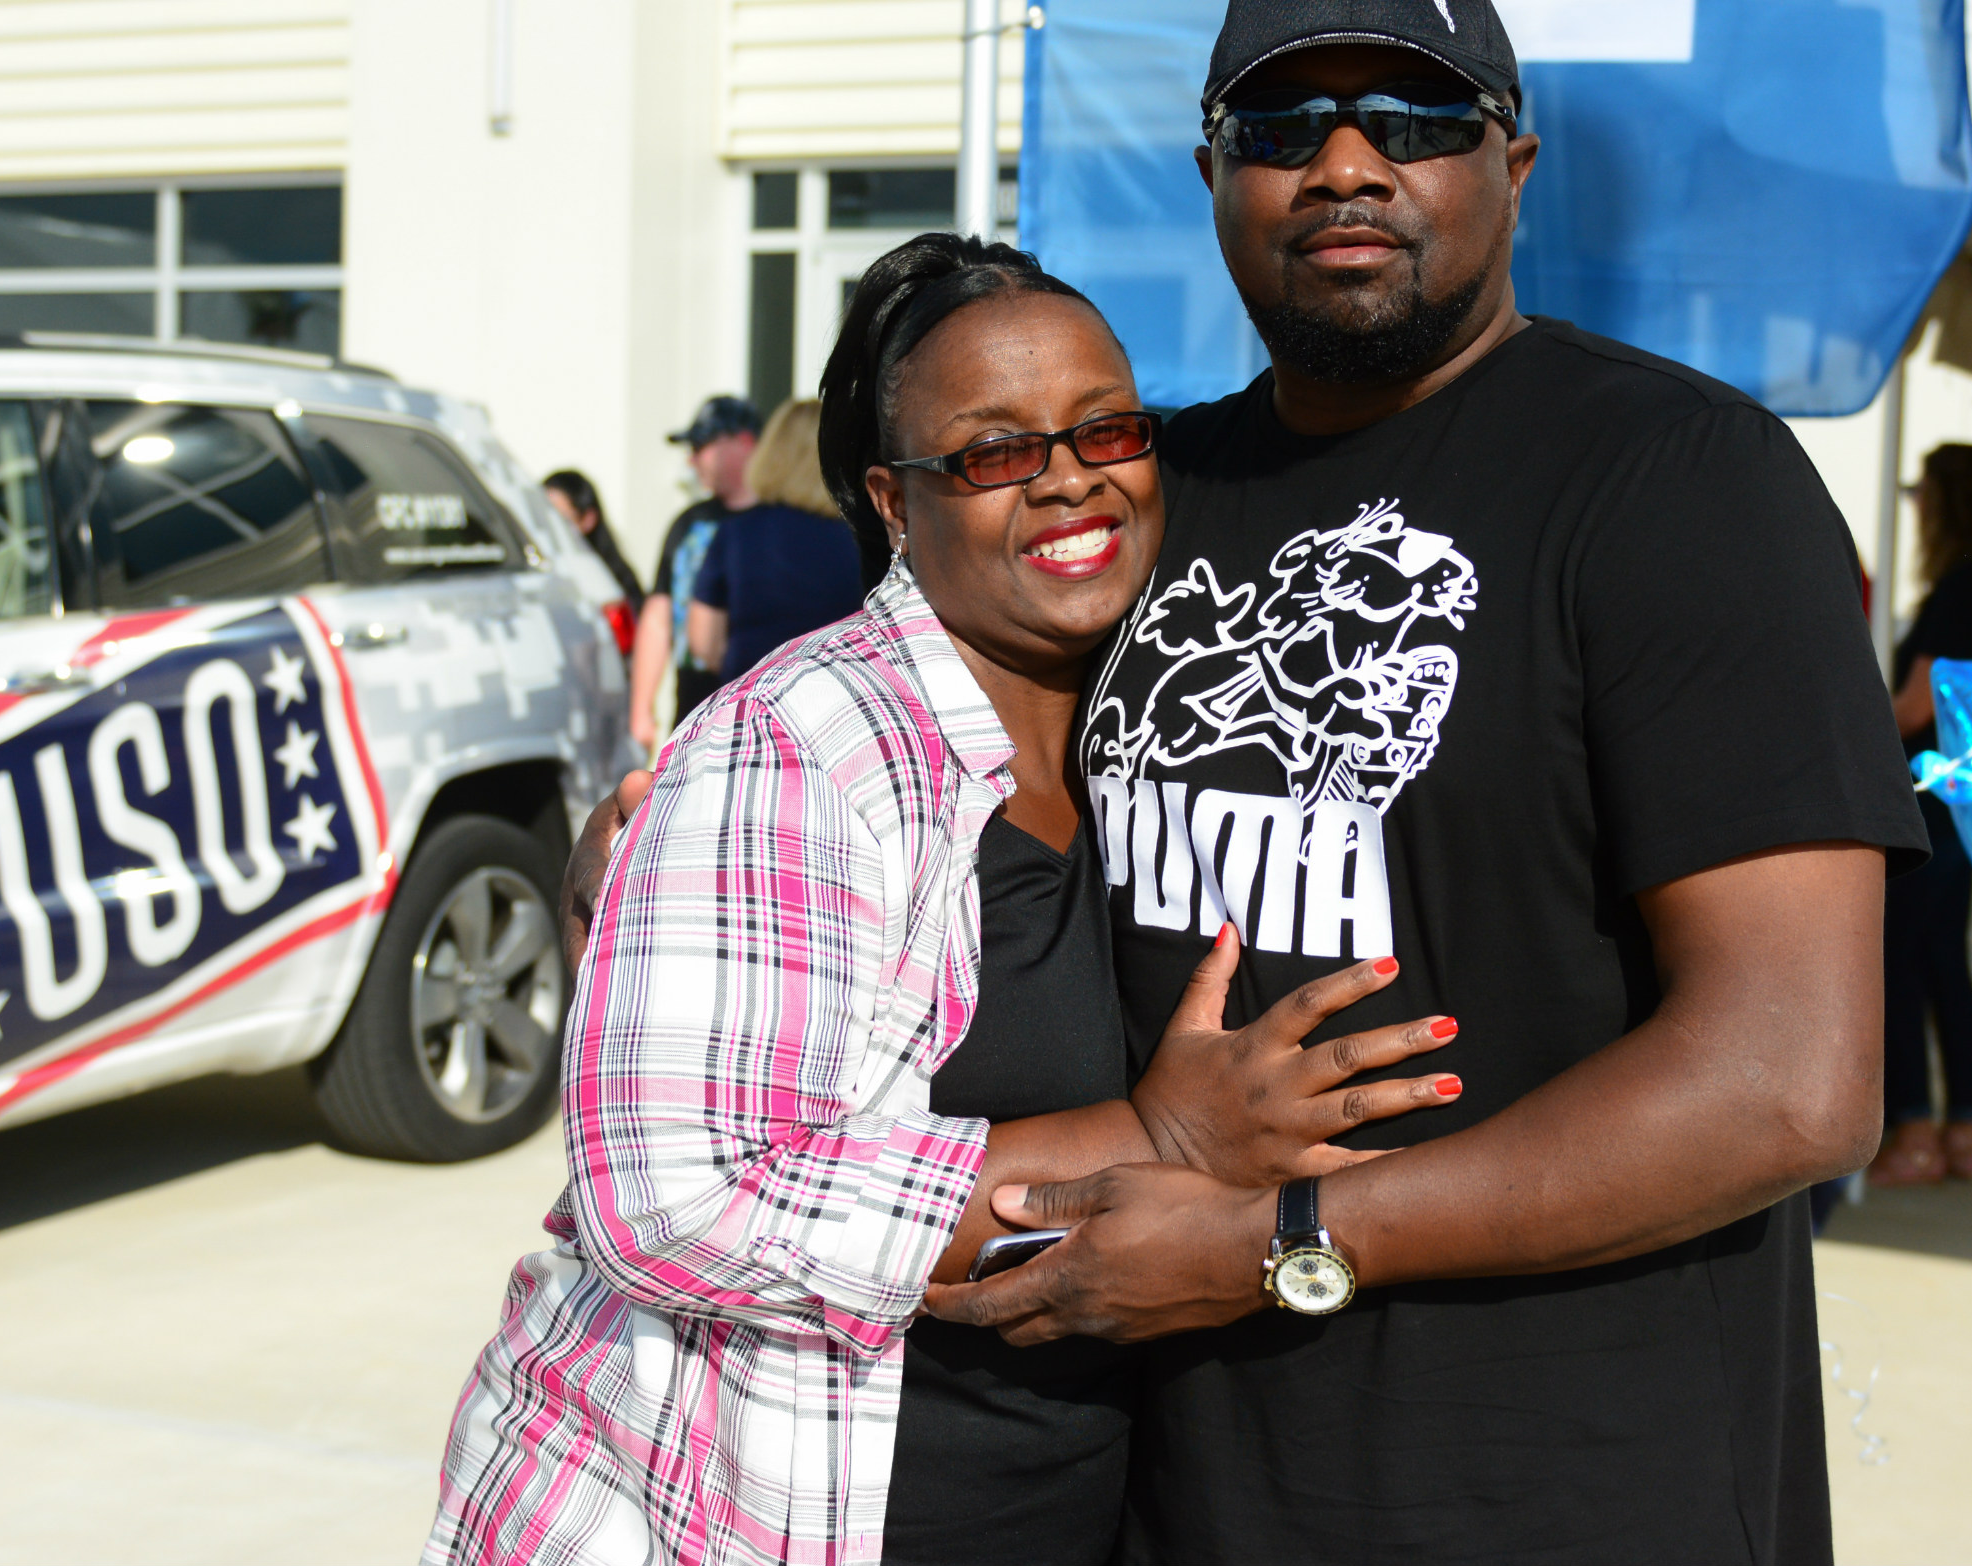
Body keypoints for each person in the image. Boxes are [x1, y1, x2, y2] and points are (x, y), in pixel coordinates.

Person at [906, 0, 1929, 1566]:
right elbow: (921, 741)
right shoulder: (1151, 488)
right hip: (1178, 1483)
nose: (1348, 162)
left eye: (1420, 117)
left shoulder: (1679, 481)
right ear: (1217, 171)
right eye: (1284, 123)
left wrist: (1283, 1239)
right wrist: (673, 822)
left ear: (1512, 162)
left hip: (1572, 1489)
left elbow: (1790, 1083)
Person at [427, 236, 1462, 1566]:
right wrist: (1153, 1135)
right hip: (760, 1509)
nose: (1069, 476)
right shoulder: (804, 744)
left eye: (1105, 427)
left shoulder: (1144, 713)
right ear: (894, 500)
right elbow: (673, 1197)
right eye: (993, 452)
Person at [1866, 443, 1972, 1187]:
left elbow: (1914, 707)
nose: (1918, 507)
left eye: (1923, 492)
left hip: (1927, 801)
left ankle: (1916, 1136)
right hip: (1963, 799)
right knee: (1943, 967)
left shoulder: (1963, 588)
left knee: (1898, 969)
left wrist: (1840, 729)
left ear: (1946, 501)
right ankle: (1963, 1133)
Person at [686, 399, 864, 687]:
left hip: (753, 700)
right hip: (838, 701)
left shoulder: (736, 534)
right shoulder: (863, 539)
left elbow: (703, 642)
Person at [629, 395, 760, 750]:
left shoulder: (785, 522)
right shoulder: (690, 524)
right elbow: (659, 614)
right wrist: (642, 708)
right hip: (693, 709)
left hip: (761, 709)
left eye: (701, 445)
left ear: (743, 442)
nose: (692, 459)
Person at [542, 467, 646, 605]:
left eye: (561, 521)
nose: (548, 529)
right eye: (541, 518)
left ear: (587, 520)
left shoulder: (611, 584)